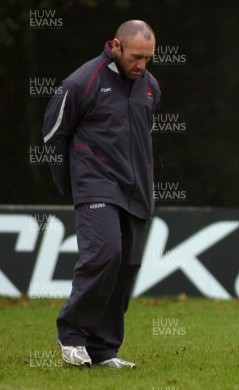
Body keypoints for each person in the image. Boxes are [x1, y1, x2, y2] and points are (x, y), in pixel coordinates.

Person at [42, 20, 161, 369]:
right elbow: (53, 134)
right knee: (105, 255)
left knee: (127, 266)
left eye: (148, 59)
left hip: (136, 188)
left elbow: (141, 132)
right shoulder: (82, 82)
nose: (141, 65)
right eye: (136, 57)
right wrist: (71, 184)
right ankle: (72, 335)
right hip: (96, 184)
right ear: (116, 46)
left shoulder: (150, 86)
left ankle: (103, 350)